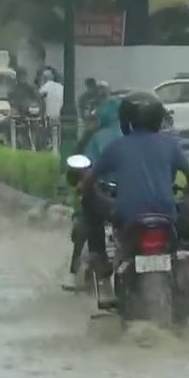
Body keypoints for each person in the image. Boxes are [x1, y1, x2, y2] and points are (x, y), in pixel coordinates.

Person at [76, 91, 189, 304]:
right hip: (167, 216)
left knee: (89, 199)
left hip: (127, 216)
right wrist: (188, 191)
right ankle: (182, 242)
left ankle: (100, 257)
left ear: (126, 119)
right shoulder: (170, 144)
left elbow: (89, 181)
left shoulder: (116, 146)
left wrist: (84, 189)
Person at [65, 96, 123, 289]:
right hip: (134, 198)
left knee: (85, 223)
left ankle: (76, 271)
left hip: (101, 195)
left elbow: (85, 168)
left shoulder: (97, 137)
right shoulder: (143, 137)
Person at [39, 69, 64, 149]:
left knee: (48, 131)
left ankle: (49, 146)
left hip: (50, 114)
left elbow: (39, 95)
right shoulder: (61, 86)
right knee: (59, 133)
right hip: (61, 113)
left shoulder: (46, 86)